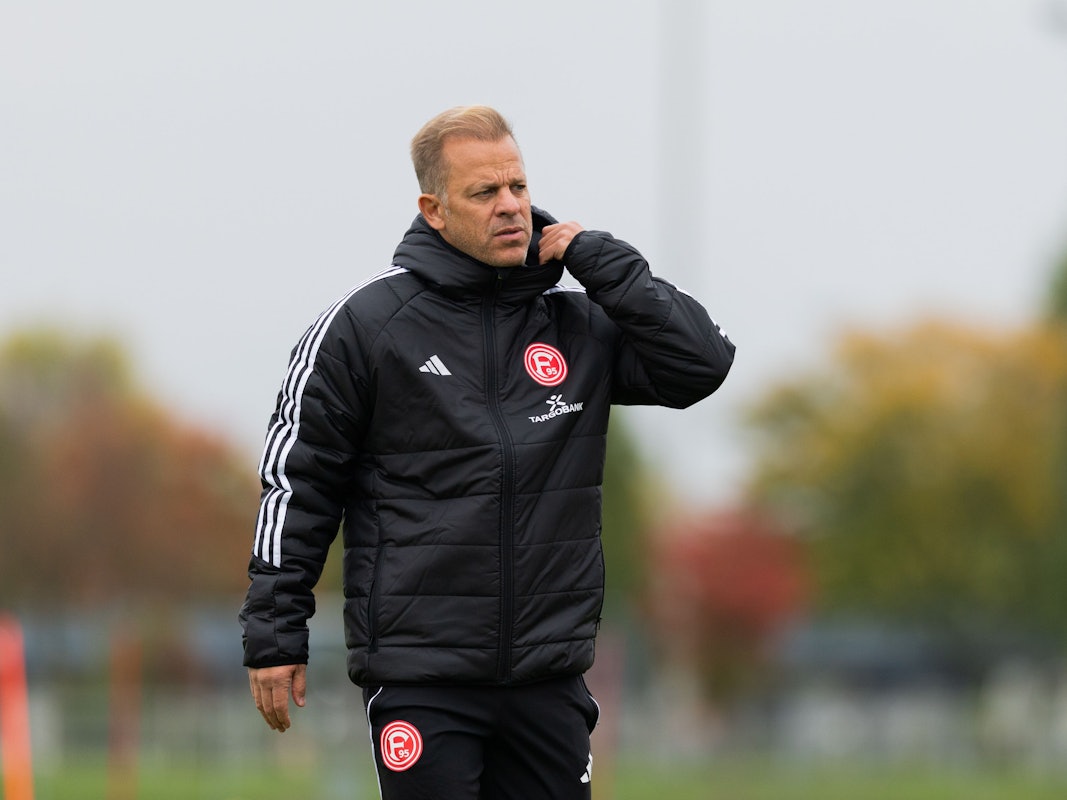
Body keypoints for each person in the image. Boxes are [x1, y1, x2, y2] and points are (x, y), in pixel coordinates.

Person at [239, 105, 735, 799]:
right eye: (484, 193)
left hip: (548, 675)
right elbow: (297, 486)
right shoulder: (366, 328)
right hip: (423, 676)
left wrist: (599, 259)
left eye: (518, 188)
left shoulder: (574, 321)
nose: (510, 208)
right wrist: (275, 633)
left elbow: (701, 363)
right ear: (433, 209)